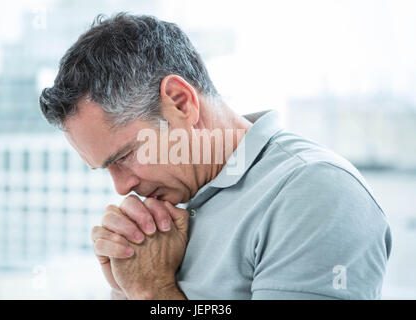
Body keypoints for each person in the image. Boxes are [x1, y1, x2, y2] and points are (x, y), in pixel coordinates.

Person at [39, 12, 392, 300]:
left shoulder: (314, 193)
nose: (121, 187)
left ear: (180, 101)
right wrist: (123, 285)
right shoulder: (166, 215)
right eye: (105, 169)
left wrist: (150, 292)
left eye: (126, 155)